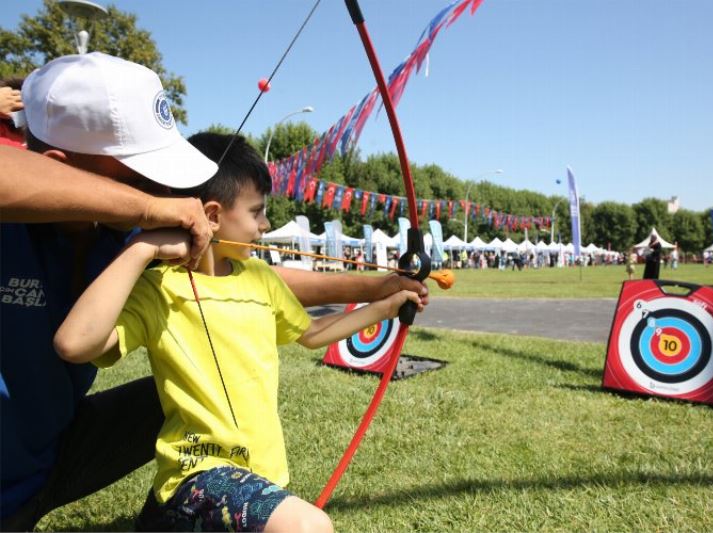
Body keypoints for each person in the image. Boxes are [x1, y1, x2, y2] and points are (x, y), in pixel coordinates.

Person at [1, 53, 428, 531]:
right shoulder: (127, 238)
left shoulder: (120, 232)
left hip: (49, 453)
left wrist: (381, 288)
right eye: (141, 175)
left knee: (157, 398)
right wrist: (144, 228)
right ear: (59, 165)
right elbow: (76, 341)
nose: (162, 192)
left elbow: (245, 284)